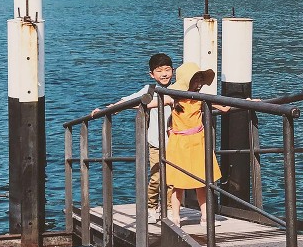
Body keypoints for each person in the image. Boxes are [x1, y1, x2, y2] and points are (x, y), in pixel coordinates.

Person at [92, 52, 174, 224]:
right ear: (152, 74)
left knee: (173, 178)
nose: (164, 74)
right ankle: (152, 206)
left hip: (176, 142)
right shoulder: (148, 90)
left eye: (167, 69)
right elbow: (128, 101)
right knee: (157, 176)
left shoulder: (177, 89)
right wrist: (108, 109)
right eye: (159, 70)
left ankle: (169, 209)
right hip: (156, 142)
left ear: (173, 71)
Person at [166, 62, 230, 225]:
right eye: (195, 80)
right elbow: (152, 102)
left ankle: (205, 216)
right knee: (178, 183)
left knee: (202, 181)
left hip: (198, 142)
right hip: (180, 142)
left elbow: (222, 107)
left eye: (200, 80)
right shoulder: (175, 98)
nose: (199, 83)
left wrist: (244, 101)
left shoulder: (200, 99)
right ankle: (175, 216)